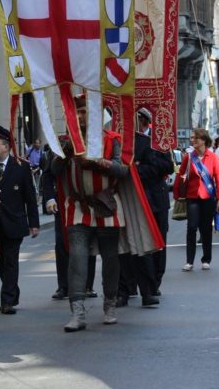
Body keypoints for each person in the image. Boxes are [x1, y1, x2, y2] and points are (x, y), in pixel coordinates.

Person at [51, 96, 147, 332]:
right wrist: (63, 153)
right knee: (77, 256)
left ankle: (110, 304)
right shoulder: (67, 142)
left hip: (106, 205)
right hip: (77, 207)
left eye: (85, 112)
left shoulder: (113, 140)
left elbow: (122, 169)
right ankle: (77, 311)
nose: (81, 117)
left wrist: (96, 163)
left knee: (110, 257)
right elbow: (53, 171)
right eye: (78, 112)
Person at [0, 124, 40, 314]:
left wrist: (34, 223)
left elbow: (30, 197)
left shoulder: (21, 166)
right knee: (0, 261)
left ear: (6, 146)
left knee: (11, 261)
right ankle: (12, 291)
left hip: (14, 222)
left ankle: (6, 301)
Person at [118, 108, 170, 304]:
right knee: (131, 244)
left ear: (143, 121)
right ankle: (129, 286)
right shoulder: (123, 141)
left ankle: (154, 283)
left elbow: (164, 166)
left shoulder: (158, 140)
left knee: (157, 244)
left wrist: (138, 168)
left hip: (156, 199)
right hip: (132, 199)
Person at [41, 148, 98, 302]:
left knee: (87, 242)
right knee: (62, 243)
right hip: (63, 200)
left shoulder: (92, 144)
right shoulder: (59, 147)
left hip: (87, 201)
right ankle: (64, 286)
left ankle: (87, 285)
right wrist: (49, 198)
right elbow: (48, 175)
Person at [174, 128, 219, 272]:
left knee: (206, 229)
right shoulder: (188, 158)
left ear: (203, 140)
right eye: (192, 138)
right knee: (191, 227)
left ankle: (206, 259)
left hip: (208, 197)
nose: (192, 140)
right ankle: (189, 261)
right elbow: (180, 175)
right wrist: (178, 193)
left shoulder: (213, 157)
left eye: (195, 138)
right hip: (192, 197)